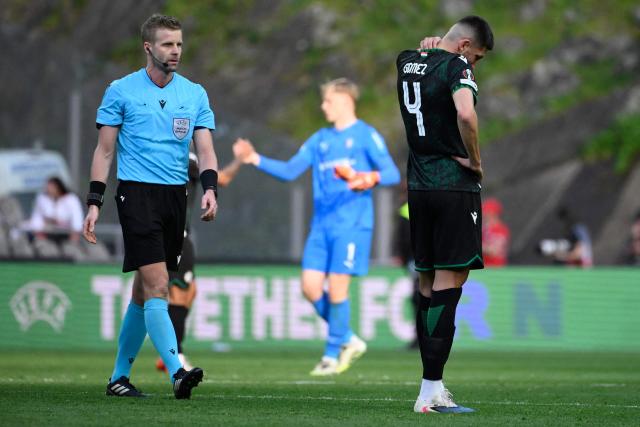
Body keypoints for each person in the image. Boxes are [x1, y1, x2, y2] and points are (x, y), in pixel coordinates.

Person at [82, 14, 219, 399]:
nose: (175, 51)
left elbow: (206, 150)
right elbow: (104, 151)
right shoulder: (121, 91)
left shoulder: (194, 93)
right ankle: (177, 371)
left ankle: (118, 378)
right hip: (136, 195)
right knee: (160, 285)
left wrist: (210, 189)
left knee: (143, 293)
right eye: (166, 44)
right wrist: (94, 202)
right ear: (148, 48)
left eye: (178, 44)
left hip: (176, 197)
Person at [233, 78, 400, 376]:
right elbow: (289, 171)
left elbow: (391, 173)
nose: (323, 106)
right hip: (321, 226)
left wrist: (365, 177)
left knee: (337, 290)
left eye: (328, 101)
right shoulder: (320, 139)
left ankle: (330, 356)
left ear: (346, 101)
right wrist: (253, 158)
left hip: (352, 224)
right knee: (310, 287)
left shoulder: (365, 135)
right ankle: (348, 338)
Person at [397, 16, 494, 413]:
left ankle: (429, 387)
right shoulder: (458, 67)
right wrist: (475, 160)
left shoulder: (406, 60)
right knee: (451, 281)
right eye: (479, 57)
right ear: (467, 45)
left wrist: (433, 49)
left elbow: (425, 62)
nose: (476, 65)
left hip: (418, 188)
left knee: (427, 284)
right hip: (454, 186)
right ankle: (430, 392)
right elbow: (466, 114)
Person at [156, 151, 242, 372]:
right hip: (174, 236)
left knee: (189, 290)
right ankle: (175, 354)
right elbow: (221, 178)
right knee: (178, 293)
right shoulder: (188, 157)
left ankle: (170, 351)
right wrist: (240, 159)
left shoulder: (157, 154)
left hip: (163, 232)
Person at [28, 177, 84, 244]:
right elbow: (37, 217)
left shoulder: (71, 199)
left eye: (51, 187)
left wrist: (75, 233)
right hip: (47, 233)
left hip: (66, 233)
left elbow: (77, 218)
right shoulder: (42, 198)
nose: (48, 189)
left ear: (58, 187)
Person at [482, 197, 510, 267]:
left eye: (486, 212)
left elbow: (493, 251)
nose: (483, 214)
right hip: (484, 268)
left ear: (492, 213)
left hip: (495, 269)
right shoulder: (484, 228)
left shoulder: (500, 229)